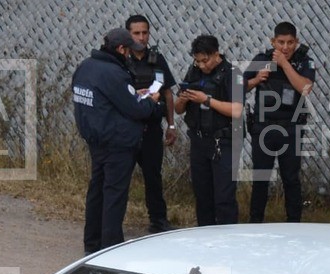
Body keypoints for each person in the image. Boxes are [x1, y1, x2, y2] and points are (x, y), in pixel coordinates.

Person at [72, 28, 161, 254]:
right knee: (114, 194)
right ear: (121, 49)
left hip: (96, 140)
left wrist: (132, 93)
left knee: (97, 191)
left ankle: (92, 244)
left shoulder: (86, 67)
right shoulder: (114, 73)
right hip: (117, 143)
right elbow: (137, 109)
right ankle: (110, 247)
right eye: (130, 50)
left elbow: (107, 98)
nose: (132, 55)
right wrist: (151, 100)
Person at [243, 21, 317, 223]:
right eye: (281, 42)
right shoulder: (262, 59)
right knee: (260, 179)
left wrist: (284, 64)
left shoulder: (304, 62)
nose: (285, 47)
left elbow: (305, 88)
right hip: (263, 127)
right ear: (273, 41)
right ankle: (255, 224)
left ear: (296, 42)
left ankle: (294, 224)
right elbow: (239, 87)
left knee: (291, 179)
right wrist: (256, 80)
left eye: (290, 42)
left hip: (290, 129)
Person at [175, 35, 243, 226]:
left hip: (224, 142)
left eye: (205, 61)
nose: (202, 65)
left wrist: (206, 100)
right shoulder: (194, 72)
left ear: (216, 54)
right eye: (197, 61)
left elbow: (237, 110)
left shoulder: (232, 74)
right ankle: (204, 238)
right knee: (202, 196)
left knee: (223, 197)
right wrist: (184, 98)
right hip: (199, 141)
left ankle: (226, 240)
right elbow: (178, 110)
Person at [124, 14, 178, 233]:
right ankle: (111, 221)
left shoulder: (157, 59)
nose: (141, 37)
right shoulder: (121, 59)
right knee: (120, 177)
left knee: (153, 177)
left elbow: (167, 94)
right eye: (136, 33)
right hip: (127, 129)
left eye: (145, 32)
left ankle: (158, 220)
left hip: (152, 129)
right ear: (128, 34)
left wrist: (172, 126)